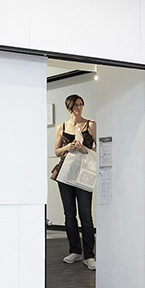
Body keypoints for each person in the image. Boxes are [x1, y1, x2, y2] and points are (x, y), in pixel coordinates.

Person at [51, 94, 97, 271]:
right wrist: (67, 147)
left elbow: (99, 147)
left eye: (81, 104)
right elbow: (57, 151)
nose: (79, 107)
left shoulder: (90, 125)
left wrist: (85, 149)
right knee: (69, 214)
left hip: (85, 172)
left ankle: (89, 255)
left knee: (86, 214)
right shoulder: (61, 127)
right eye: (76, 104)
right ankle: (75, 251)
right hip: (66, 174)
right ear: (68, 107)